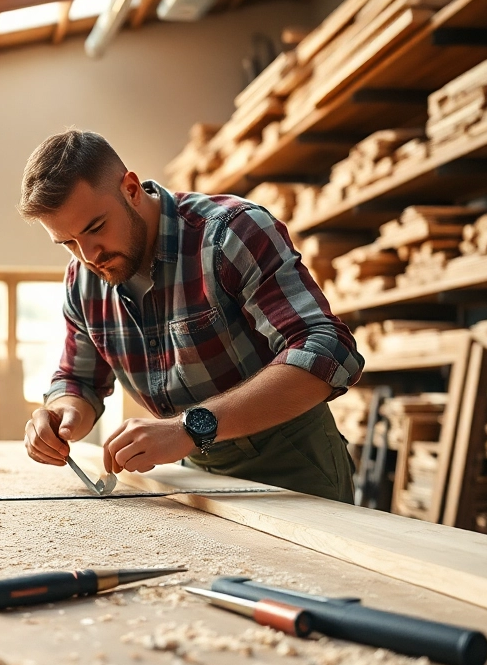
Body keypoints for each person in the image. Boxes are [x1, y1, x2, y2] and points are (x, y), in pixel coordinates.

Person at [18, 129, 364, 502]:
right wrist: (60, 414)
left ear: (131, 189)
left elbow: (328, 351)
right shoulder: (83, 280)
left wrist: (189, 429)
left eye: (96, 228)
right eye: (68, 243)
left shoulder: (230, 233)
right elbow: (79, 380)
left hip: (294, 468)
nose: (89, 255)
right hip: (196, 476)